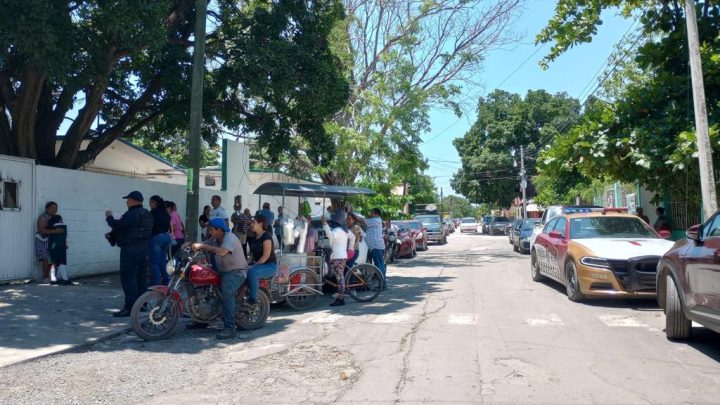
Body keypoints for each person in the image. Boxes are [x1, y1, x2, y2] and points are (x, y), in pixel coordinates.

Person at [185, 218, 248, 340]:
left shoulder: (230, 238)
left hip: (236, 272)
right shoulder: (215, 238)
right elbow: (204, 244)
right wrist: (190, 244)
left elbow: (223, 251)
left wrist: (203, 246)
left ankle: (230, 328)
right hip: (222, 271)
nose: (210, 232)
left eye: (211, 230)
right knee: (202, 286)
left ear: (219, 230)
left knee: (227, 293)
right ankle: (202, 319)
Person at [106, 191, 153, 317]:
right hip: (143, 249)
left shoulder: (132, 214)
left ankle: (130, 307)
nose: (127, 202)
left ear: (133, 200)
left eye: (128, 200)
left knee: (128, 278)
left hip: (130, 250)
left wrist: (109, 217)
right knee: (141, 278)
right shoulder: (147, 213)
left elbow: (117, 225)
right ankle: (143, 304)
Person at [246, 215, 278, 306]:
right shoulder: (253, 238)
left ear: (260, 224)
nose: (251, 224)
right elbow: (252, 256)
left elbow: (266, 256)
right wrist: (244, 264)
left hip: (270, 265)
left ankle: (253, 299)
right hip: (259, 264)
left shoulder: (266, 237)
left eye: (253, 222)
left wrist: (253, 265)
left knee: (252, 272)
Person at [322, 216, 349, 306]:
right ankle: (340, 297)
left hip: (339, 257)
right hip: (340, 256)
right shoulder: (343, 231)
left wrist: (325, 224)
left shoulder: (338, 231)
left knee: (340, 278)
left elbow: (330, 235)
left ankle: (341, 298)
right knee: (339, 277)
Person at [35, 201, 64, 284]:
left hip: (54, 240)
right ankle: (45, 277)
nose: (54, 209)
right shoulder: (43, 218)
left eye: (56, 208)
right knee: (46, 259)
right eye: (52, 207)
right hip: (43, 240)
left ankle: (53, 277)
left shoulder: (58, 217)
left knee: (54, 259)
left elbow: (61, 229)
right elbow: (42, 230)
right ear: (47, 208)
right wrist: (56, 231)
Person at [148, 195, 172, 285]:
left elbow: (150, 226)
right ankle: (166, 282)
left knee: (154, 263)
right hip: (166, 236)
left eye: (150, 202)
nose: (149, 204)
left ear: (155, 202)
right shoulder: (165, 213)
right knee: (162, 262)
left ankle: (155, 284)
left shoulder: (153, 213)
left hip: (156, 238)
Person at [46, 214, 72, 285]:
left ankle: (53, 279)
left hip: (52, 247)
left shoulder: (50, 227)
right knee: (61, 263)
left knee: (53, 263)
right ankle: (65, 279)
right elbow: (66, 237)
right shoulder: (64, 227)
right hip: (61, 247)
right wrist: (66, 244)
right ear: (60, 220)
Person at [365, 208, 387, 289]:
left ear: (376, 214)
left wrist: (352, 215)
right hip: (375, 246)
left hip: (376, 246)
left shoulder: (376, 220)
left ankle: (382, 285)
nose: (370, 214)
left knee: (379, 266)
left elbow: (363, 221)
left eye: (371, 212)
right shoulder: (375, 220)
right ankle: (382, 284)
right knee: (380, 265)